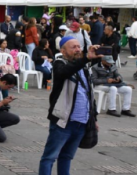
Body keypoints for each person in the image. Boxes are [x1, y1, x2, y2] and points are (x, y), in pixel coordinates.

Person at [38, 36, 101, 175]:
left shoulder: (84, 67)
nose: (78, 49)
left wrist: (93, 117)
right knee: (49, 157)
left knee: (67, 157)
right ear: (63, 50)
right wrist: (86, 58)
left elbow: (89, 94)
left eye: (79, 46)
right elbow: (64, 72)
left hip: (81, 122)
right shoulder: (59, 63)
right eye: (73, 47)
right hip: (63, 122)